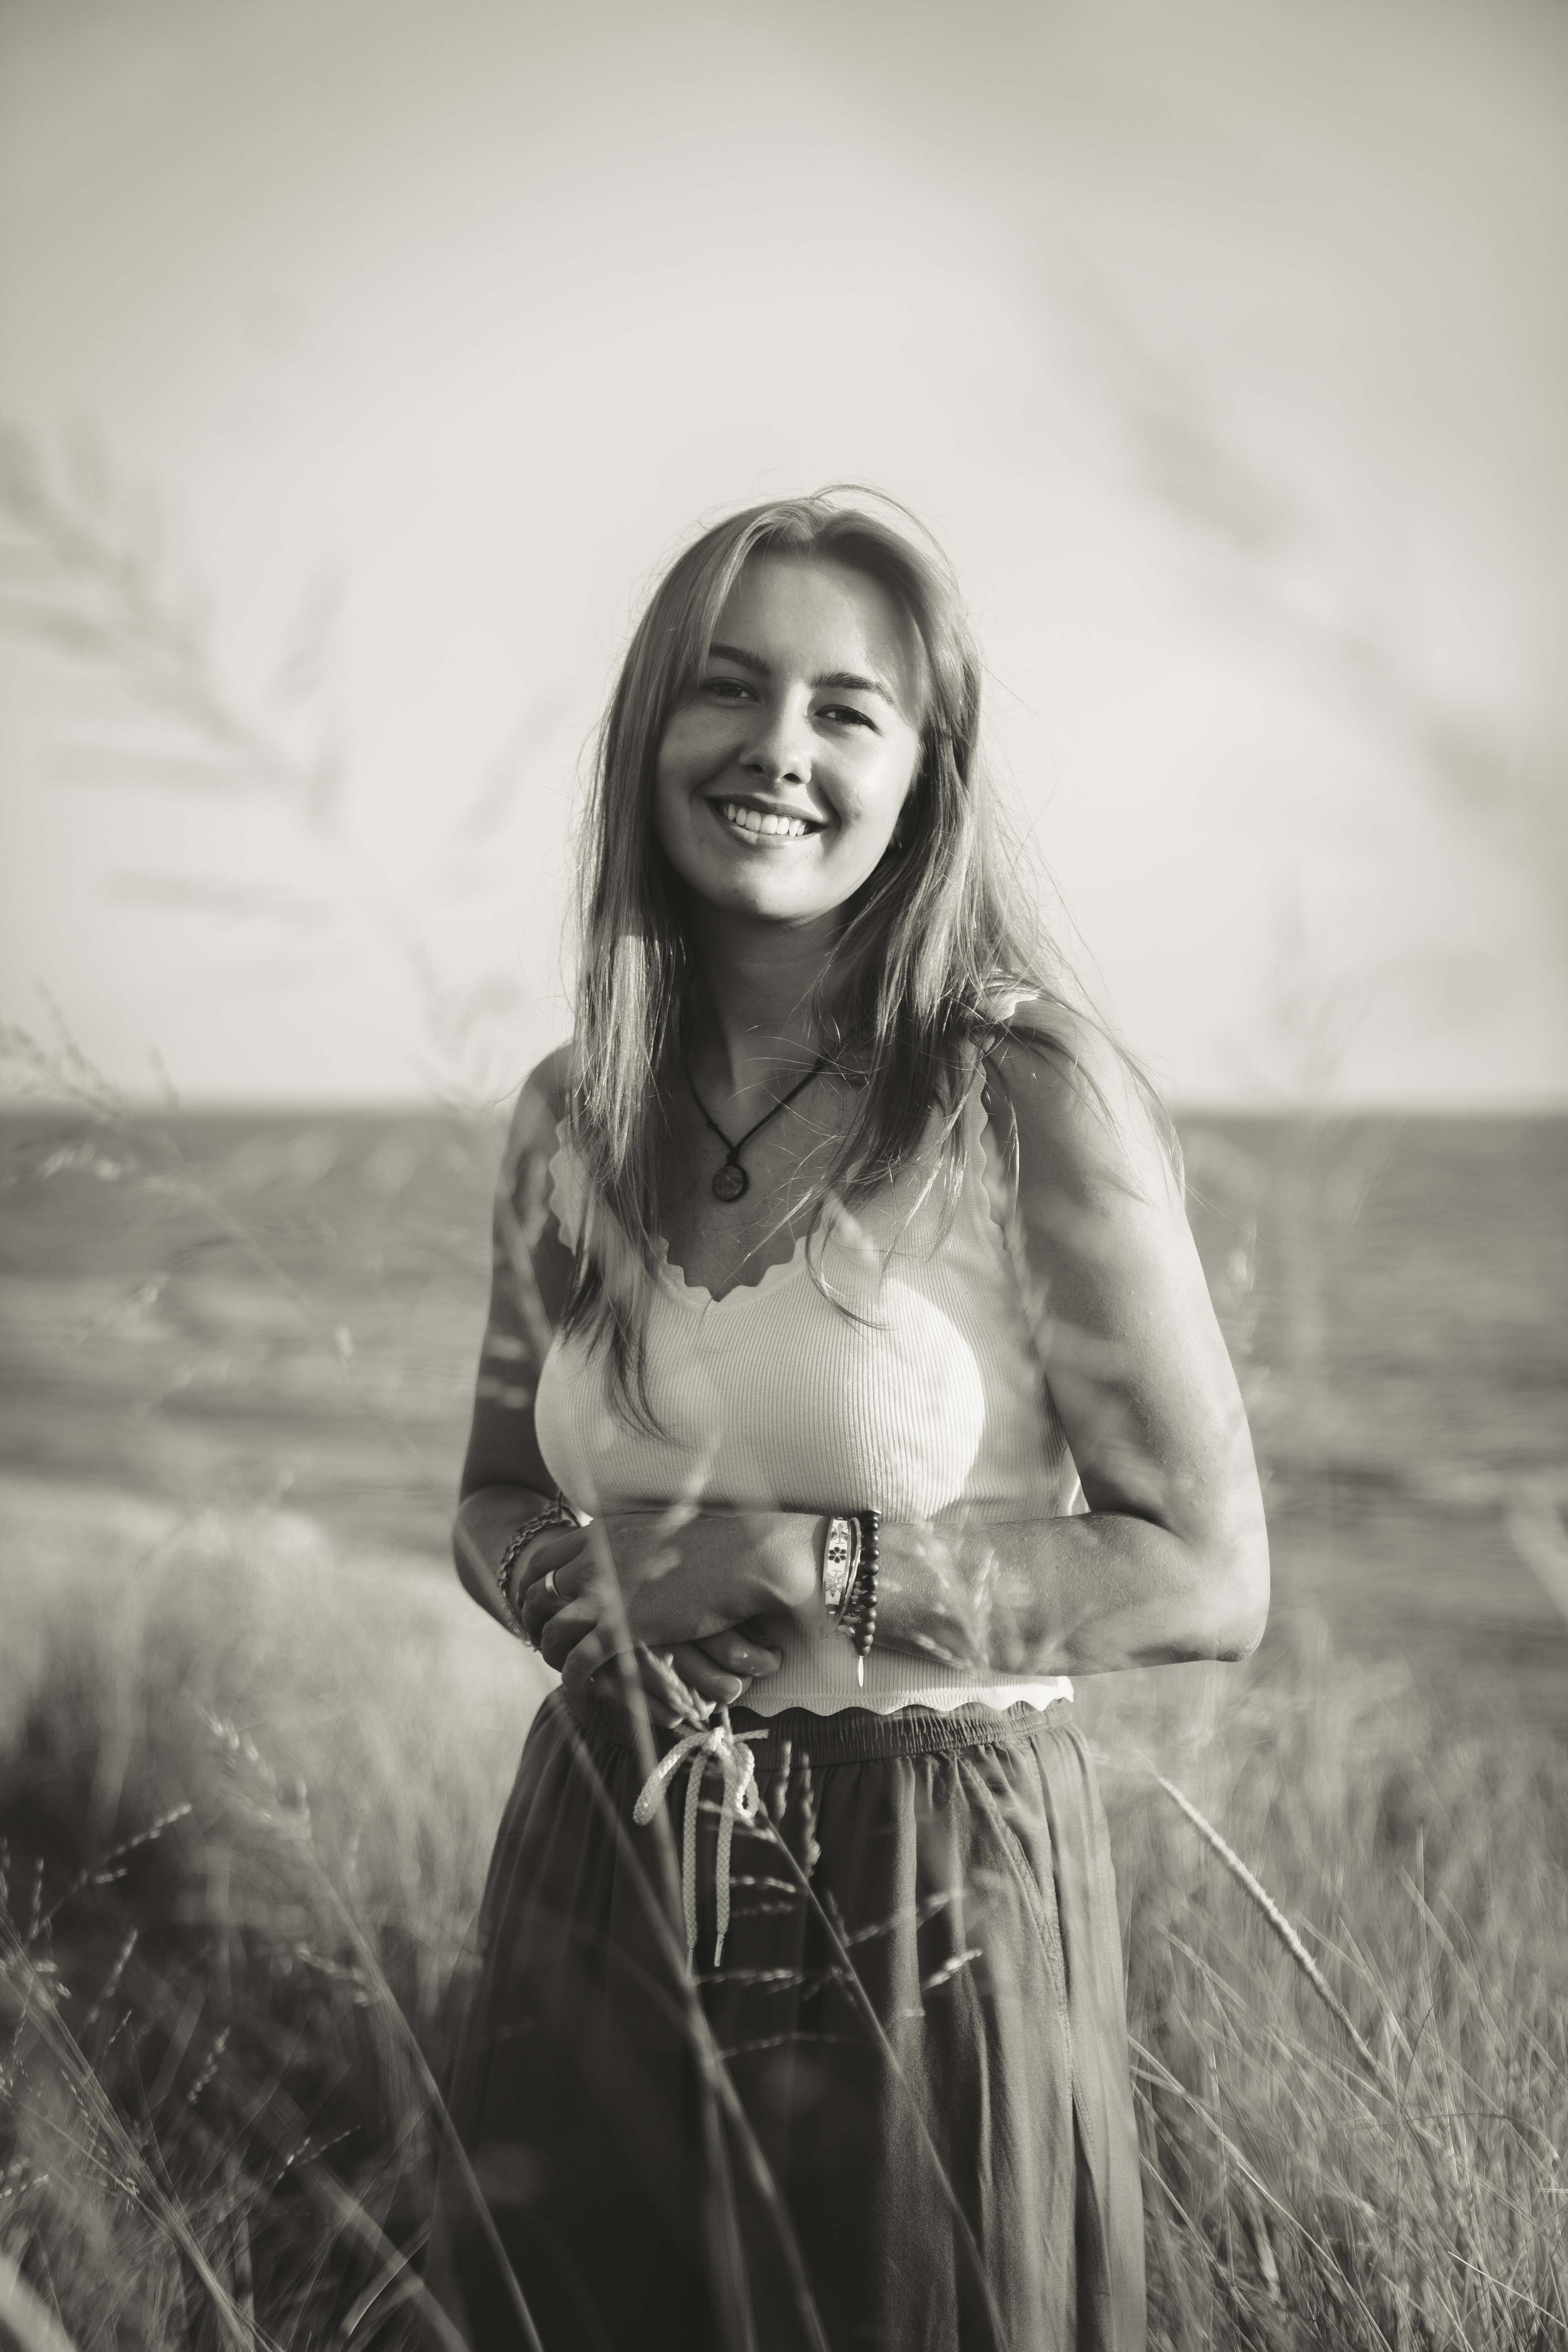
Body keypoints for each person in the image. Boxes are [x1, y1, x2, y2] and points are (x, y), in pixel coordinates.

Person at [423, 491, 1269, 2352]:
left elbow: (1199, 1573)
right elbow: (491, 1493)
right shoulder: (572, 1112)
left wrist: (804, 1564)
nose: (776, 751)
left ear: (923, 770)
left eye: (843, 708)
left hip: (928, 1884)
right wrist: (568, 1580)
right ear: (649, 730)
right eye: (726, 691)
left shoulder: (1022, 1090)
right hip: (600, 1841)